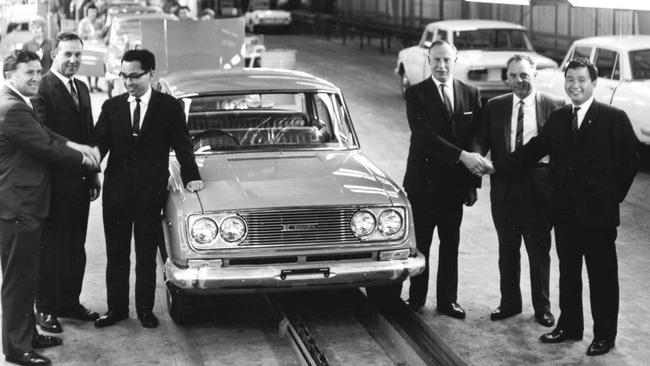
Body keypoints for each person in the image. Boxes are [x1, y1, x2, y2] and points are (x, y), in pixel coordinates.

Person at [490, 58, 638, 356]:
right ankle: (569, 326)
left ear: (593, 84)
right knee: (568, 274)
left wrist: (611, 198)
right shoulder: (558, 118)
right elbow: (531, 151)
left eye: (582, 80)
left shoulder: (613, 118)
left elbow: (630, 162)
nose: (575, 86)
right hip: (565, 214)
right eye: (570, 79)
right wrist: (494, 166)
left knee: (602, 278)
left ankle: (604, 335)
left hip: (599, 217)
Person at [0, 50, 99, 366]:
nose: (34, 77)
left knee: (27, 276)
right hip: (18, 207)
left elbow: (48, 133)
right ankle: (17, 349)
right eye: (27, 72)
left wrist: (76, 144)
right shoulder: (11, 108)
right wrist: (84, 159)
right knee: (18, 282)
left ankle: (26, 336)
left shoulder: (20, 103)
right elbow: (44, 147)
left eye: (36, 71)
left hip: (24, 205)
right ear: (9, 75)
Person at [93, 49, 204, 329]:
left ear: (151, 73)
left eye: (135, 76)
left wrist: (192, 175)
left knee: (145, 256)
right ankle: (116, 310)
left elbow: (182, 145)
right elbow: (98, 147)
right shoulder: (111, 106)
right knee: (116, 255)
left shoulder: (169, 107)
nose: (128, 82)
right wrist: (86, 172)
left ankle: (145, 311)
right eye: (123, 76)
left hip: (149, 193)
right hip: (116, 194)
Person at [472, 54, 565, 327]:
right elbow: (480, 138)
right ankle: (510, 303)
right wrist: (477, 157)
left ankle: (543, 308)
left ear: (534, 74)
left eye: (524, 75)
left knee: (538, 250)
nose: (518, 81)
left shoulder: (554, 106)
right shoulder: (494, 106)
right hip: (504, 189)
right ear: (507, 78)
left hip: (539, 189)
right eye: (512, 76)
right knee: (507, 249)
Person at [401, 40, 487, 318]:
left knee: (450, 244)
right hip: (423, 184)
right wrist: (464, 156)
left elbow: (477, 135)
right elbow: (425, 137)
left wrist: (474, 165)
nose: (441, 66)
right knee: (421, 244)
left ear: (455, 59)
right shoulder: (416, 93)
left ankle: (448, 301)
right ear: (429, 59)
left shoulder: (471, 93)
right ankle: (416, 299)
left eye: (446, 60)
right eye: (436, 60)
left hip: (453, 186)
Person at [31, 32, 100, 335]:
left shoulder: (83, 88)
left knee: (75, 246)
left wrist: (95, 172)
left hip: (80, 182)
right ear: (54, 55)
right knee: (50, 248)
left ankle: (69, 302)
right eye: (67, 54)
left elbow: (88, 135)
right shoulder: (41, 88)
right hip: (53, 184)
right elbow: (44, 137)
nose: (73, 60)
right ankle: (45, 308)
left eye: (77, 55)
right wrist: (80, 160)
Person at [76, 4, 103, 92]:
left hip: (98, 45)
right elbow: (80, 34)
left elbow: (103, 32)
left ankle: (96, 84)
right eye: (91, 12)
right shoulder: (83, 22)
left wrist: (100, 33)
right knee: (89, 64)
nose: (92, 14)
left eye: (94, 12)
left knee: (98, 64)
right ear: (87, 13)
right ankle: (90, 85)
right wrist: (90, 35)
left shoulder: (100, 22)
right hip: (88, 46)